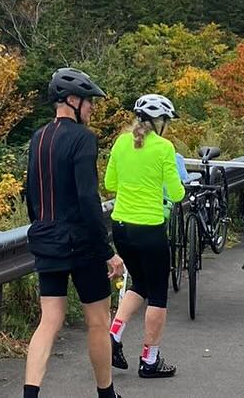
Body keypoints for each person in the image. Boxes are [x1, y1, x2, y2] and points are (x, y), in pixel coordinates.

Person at [23, 67, 124, 398]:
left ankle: (30, 394)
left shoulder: (38, 137)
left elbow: (31, 191)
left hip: (46, 238)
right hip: (81, 244)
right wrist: (107, 250)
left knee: (49, 320)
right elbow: (87, 199)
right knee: (98, 319)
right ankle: (106, 394)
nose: (92, 108)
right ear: (72, 100)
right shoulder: (84, 139)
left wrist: (40, 226)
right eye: (89, 101)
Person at [104, 93, 187, 379]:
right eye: (166, 121)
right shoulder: (164, 147)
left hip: (121, 229)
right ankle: (150, 360)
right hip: (149, 230)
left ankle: (113, 336)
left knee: (139, 283)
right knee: (158, 296)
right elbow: (176, 194)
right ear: (159, 122)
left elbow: (109, 183)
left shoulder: (120, 142)